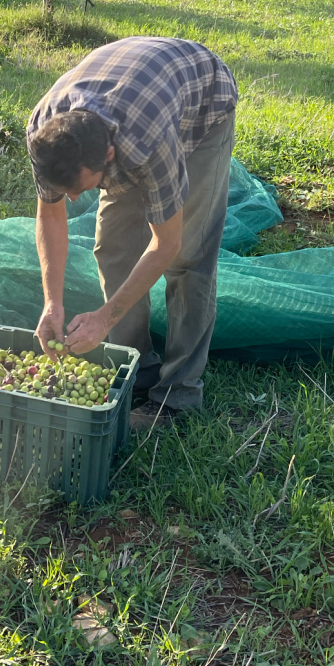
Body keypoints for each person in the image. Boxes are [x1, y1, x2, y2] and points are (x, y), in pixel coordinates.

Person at [27, 36, 237, 428]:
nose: (73, 199)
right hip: (134, 91)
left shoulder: (149, 143)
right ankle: (137, 368)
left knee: (189, 260)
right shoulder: (44, 134)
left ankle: (178, 396)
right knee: (114, 249)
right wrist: (52, 304)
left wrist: (105, 319)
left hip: (203, 105)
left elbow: (166, 243)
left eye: (83, 187)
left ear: (109, 156)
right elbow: (51, 216)